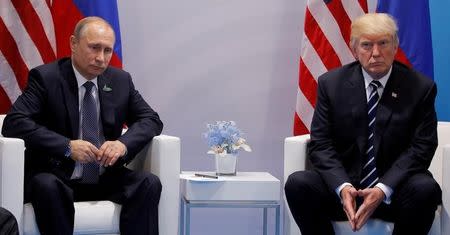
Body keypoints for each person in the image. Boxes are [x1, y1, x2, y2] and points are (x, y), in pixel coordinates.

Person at [1, 16, 163, 235]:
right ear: (73, 44)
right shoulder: (46, 78)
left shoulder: (120, 80)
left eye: (107, 50)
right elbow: (14, 123)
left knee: (148, 183)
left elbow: (151, 120)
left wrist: (123, 145)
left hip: (103, 176)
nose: (101, 58)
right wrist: (67, 146)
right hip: (57, 174)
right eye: (94, 48)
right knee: (47, 185)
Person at [284, 13, 441, 235]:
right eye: (367, 45)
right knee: (298, 183)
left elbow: (421, 148)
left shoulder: (420, 88)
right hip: (343, 192)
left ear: (395, 46)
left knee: (425, 189)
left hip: (394, 193)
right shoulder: (331, 84)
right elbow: (321, 144)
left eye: (383, 43)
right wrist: (343, 187)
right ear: (354, 49)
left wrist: (382, 189)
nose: (375, 53)